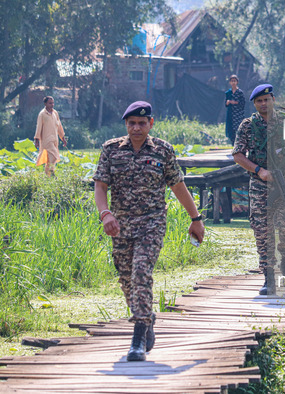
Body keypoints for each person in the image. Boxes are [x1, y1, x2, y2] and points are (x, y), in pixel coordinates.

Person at [93, 101, 205, 362]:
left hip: (152, 224)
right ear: (125, 125)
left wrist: (196, 218)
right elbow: (100, 186)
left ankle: (138, 336)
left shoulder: (163, 150)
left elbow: (178, 186)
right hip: (120, 226)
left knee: (141, 272)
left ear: (150, 124)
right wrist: (105, 213)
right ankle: (147, 316)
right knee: (126, 280)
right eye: (131, 123)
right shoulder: (111, 150)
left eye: (142, 123)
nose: (136, 128)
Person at [233, 84, 285, 295]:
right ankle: (269, 277)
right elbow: (238, 155)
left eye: (266, 99)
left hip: (284, 180)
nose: (263, 103)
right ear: (254, 104)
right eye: (259, 101)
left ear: (273, 100)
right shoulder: (248, 126)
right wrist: (258, 170)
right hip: (260, 184)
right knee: (262, 230)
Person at [34, 96, 67, 176]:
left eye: (53, 103)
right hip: (46, 140)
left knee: (50, 159)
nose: (52, 105)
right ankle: (51, 172)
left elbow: (59, 126)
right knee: (55, 155)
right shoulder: (42, 114)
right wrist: (36, 140)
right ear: (45, 103)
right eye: (50, 103)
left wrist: (63, 138)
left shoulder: (55, 113)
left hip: (55, 139)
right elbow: (39, 127)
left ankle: (48, 175)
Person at [225, 75, 246, 145]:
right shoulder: (228, 93)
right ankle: (233, 144)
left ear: (237, 82)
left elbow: (243, 103)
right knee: (231, 129)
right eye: (232, 81)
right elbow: (226, 104)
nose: (233, 83)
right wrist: (228, 103)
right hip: (231, 113)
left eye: (234, 81)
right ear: (230, 83)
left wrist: (234, 102)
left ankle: (240, 144)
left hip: (238, 114)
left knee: (239, 128)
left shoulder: (240, 92)